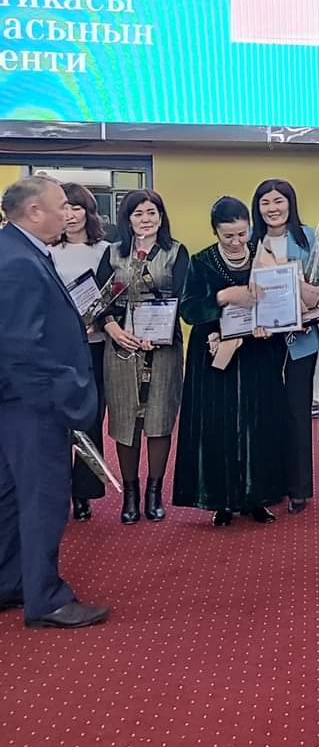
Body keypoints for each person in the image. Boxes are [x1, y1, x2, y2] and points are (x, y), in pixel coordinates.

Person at [0, 176, 107, 628]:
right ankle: (46, 600)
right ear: (33, 212)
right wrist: (61, 396)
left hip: (16, 402)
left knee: (11, 497)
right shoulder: (18, 261)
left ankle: (12, 583)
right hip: (32, 405)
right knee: (43, 500)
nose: (69, 212)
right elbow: (20, 346)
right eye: (61, 205)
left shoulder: (16, 250)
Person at [173, 197, 288, 526]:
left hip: (257, 351)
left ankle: (257, 497)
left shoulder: (265, 257)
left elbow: (280, 301)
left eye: (242, 233)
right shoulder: (201, 261)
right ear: (215, 232)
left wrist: (274, 324)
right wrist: (223, 297)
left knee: (259, 423)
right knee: (217, 425)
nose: (237, 242)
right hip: (214, 353)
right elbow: (189, 310)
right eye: (228, 236)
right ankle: (220, 500)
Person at [98, 189, 188, 524]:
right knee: (125, 419)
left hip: (163, 346)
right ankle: (130, 495)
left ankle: (154, 492)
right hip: (121, 345)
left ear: (161, 217)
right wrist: (112, 328)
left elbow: (183, 296)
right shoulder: (112, 253)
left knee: (160, 417)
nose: (146, 219)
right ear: (127, 219)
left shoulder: (176, 252)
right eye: (138, 213)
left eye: (152, 212)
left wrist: (158, 331)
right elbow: (97, 300)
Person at [250, 179, 319, 514]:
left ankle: (299, 488)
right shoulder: (251, 240)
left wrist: (312, 299)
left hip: (302, 340)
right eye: (265, 202)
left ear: (290, 203)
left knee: (298, 412)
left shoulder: (309, 237)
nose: (272, 208)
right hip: (262, 340)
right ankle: (269, 484)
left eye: (278, 201)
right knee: (266, 412)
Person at [53, 183, 111, 520]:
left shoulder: (107, 251)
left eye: (76, 208)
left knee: (91, 418)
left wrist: (99, 320)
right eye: (64, 208)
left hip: (97, 345)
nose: (70, 215)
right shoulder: (47, 250)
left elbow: (113, 295)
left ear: (88, 212)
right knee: (59, 422)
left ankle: (84, 491)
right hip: (60, 348)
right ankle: (58, 487)